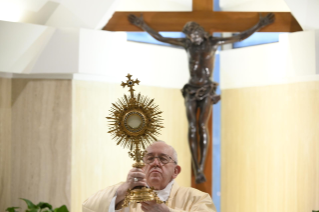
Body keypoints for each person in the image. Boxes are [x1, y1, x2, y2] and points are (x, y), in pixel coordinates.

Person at [128, 13, 275, 184]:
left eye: (195, 35)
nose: (192, 38)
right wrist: (142, 25)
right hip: (191, 90)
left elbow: (240, 36)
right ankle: (196, 166)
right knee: (192, 127)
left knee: (202, 126)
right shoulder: (188, 44)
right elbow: (162, 38)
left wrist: (260, 25)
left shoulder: (212, 43)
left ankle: (200, 167)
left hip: (206, 90)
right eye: (190, 36)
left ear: (201, 33)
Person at [82, 141, 217, 212]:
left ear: (176, 171)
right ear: (142, 167)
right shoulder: (126, 195)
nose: (155, 163)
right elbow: (88, 208)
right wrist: (123, 189)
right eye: (149, 158)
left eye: (163, 159)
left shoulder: (196, 198)